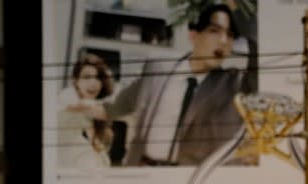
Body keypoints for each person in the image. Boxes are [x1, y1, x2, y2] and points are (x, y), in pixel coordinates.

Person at [69, 3, 251, 166]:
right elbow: (118, 105)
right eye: (214, 31)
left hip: (188, 181)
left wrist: (241, 6)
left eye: (230, 34)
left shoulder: (233, 83)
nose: (223, 41)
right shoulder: (158, 67)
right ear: (194, 35)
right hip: (142, 170)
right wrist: (84, 107)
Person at [57, 53, 116, 168]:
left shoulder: (101, 126)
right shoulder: (65, 110)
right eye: (86, 77)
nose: (93, 83)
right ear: (75, 81)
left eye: (98, 78)